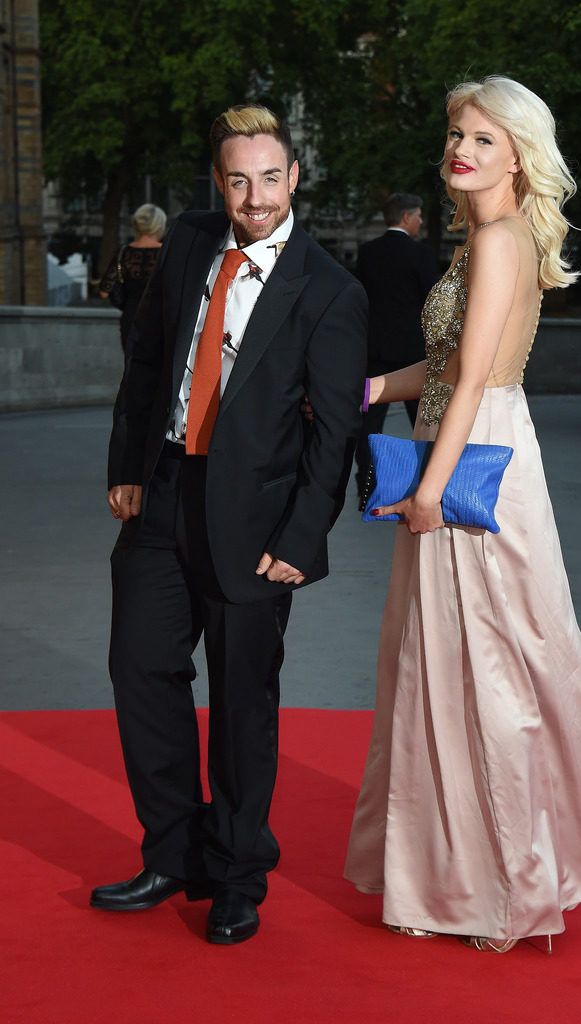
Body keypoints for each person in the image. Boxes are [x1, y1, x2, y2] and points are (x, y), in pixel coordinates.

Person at [344, 76, 581, 952]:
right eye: (458, 133)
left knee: (488, 668)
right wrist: (359, 390)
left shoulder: (500, 242)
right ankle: (455, 879)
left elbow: (472, 379)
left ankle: (503, 887)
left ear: (520, 156)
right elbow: (438, 368)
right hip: (463, 438)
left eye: (483, 138)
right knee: (444, 665)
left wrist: (430, 489)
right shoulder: (478, 247)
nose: (460, 147)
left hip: (474, 459)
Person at [90, 104, 367, 945]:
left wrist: (303, 536)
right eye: (239, 179)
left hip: (256, 519)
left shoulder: (330, 290)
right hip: (167, 486)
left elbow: (334, 433)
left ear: (294, 178)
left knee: (245, 699)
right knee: (140, 670)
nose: (256, 197)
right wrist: (129, 466)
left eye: (271, 178)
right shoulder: (186, 241)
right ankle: (177, 853)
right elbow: (147, 359)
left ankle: (240, 873)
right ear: (220, 180)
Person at [354, 193, 438, 495]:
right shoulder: (422, 255)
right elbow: (433, 302)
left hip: (374, 351)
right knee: (423, 423)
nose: (420, 222)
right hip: (414, 355)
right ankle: (427, 486)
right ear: (406, 217)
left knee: (369, 426)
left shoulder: (367, 252)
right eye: (418, 216)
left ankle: (367, 487)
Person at [99, 203, 167, 350]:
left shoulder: (123, 252)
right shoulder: (167, 253)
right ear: (159, 225)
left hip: (131, 318)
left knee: (132, 368)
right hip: (160, 320)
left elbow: (104, 291)